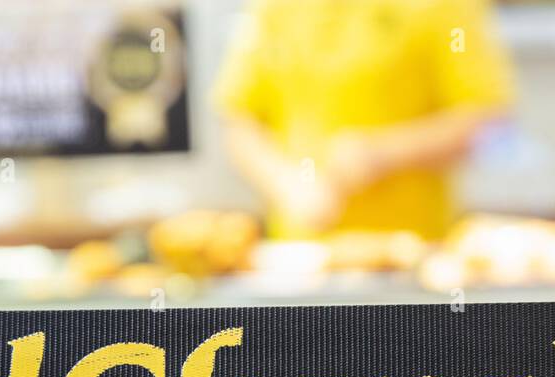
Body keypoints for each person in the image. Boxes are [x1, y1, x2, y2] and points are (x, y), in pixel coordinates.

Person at [213, 0, 514, 240]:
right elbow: (240, 121)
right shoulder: (274, 8)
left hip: (410, 256)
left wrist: (383, 153)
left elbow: (486, 120)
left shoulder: (444, 6)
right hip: (300, 258)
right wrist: (288, 183)